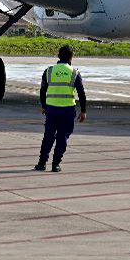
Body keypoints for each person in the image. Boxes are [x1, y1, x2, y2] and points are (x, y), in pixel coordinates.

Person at [34, 45, 87, 173]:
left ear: (58, 56)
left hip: (51, 109)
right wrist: (83, 111)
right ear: (71, 57)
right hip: (67, 110)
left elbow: (42, 90)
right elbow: (81, 93)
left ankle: (42, 163)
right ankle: (56, 164)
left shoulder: (49, 71)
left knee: (48, 136)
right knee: (62, 137)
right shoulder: (74, 72)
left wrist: (43, 106)